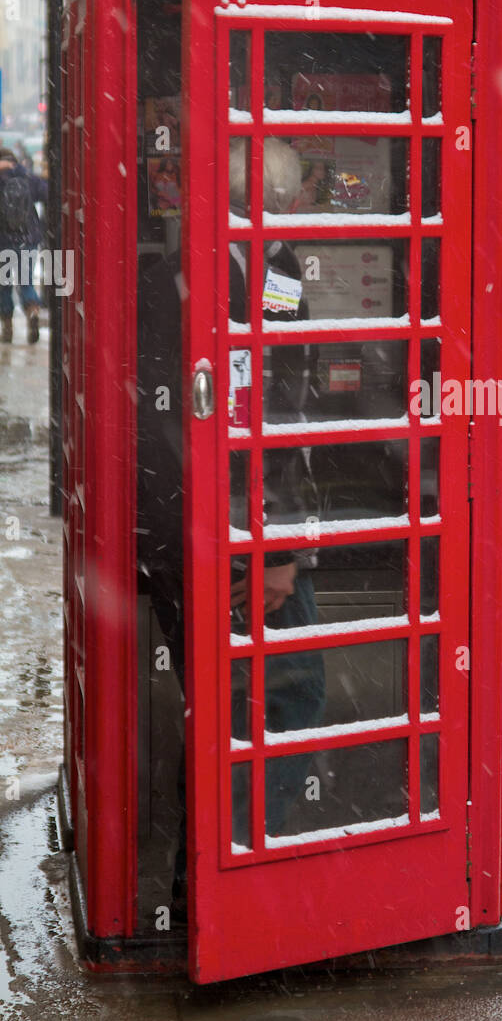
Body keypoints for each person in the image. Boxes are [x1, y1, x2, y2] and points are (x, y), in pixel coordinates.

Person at [137, 137, 326, 912]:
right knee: (287, 695)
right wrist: (277, 551)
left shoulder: (184, 274)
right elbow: (269, 413)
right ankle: (246, 875)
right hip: (237, 533)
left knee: (213, 701)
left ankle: (204, 878)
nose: (317, 198)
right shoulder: (263, 272)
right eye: (306, 186)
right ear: (276, 198)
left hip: (190, 524)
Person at [0, 146, 46, 344]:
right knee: (26, 281)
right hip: (28, 239)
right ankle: (33, 311)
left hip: (3, 241)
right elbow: (47, 194)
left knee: (4, 285)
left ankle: (7, 327)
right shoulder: (26, 175)